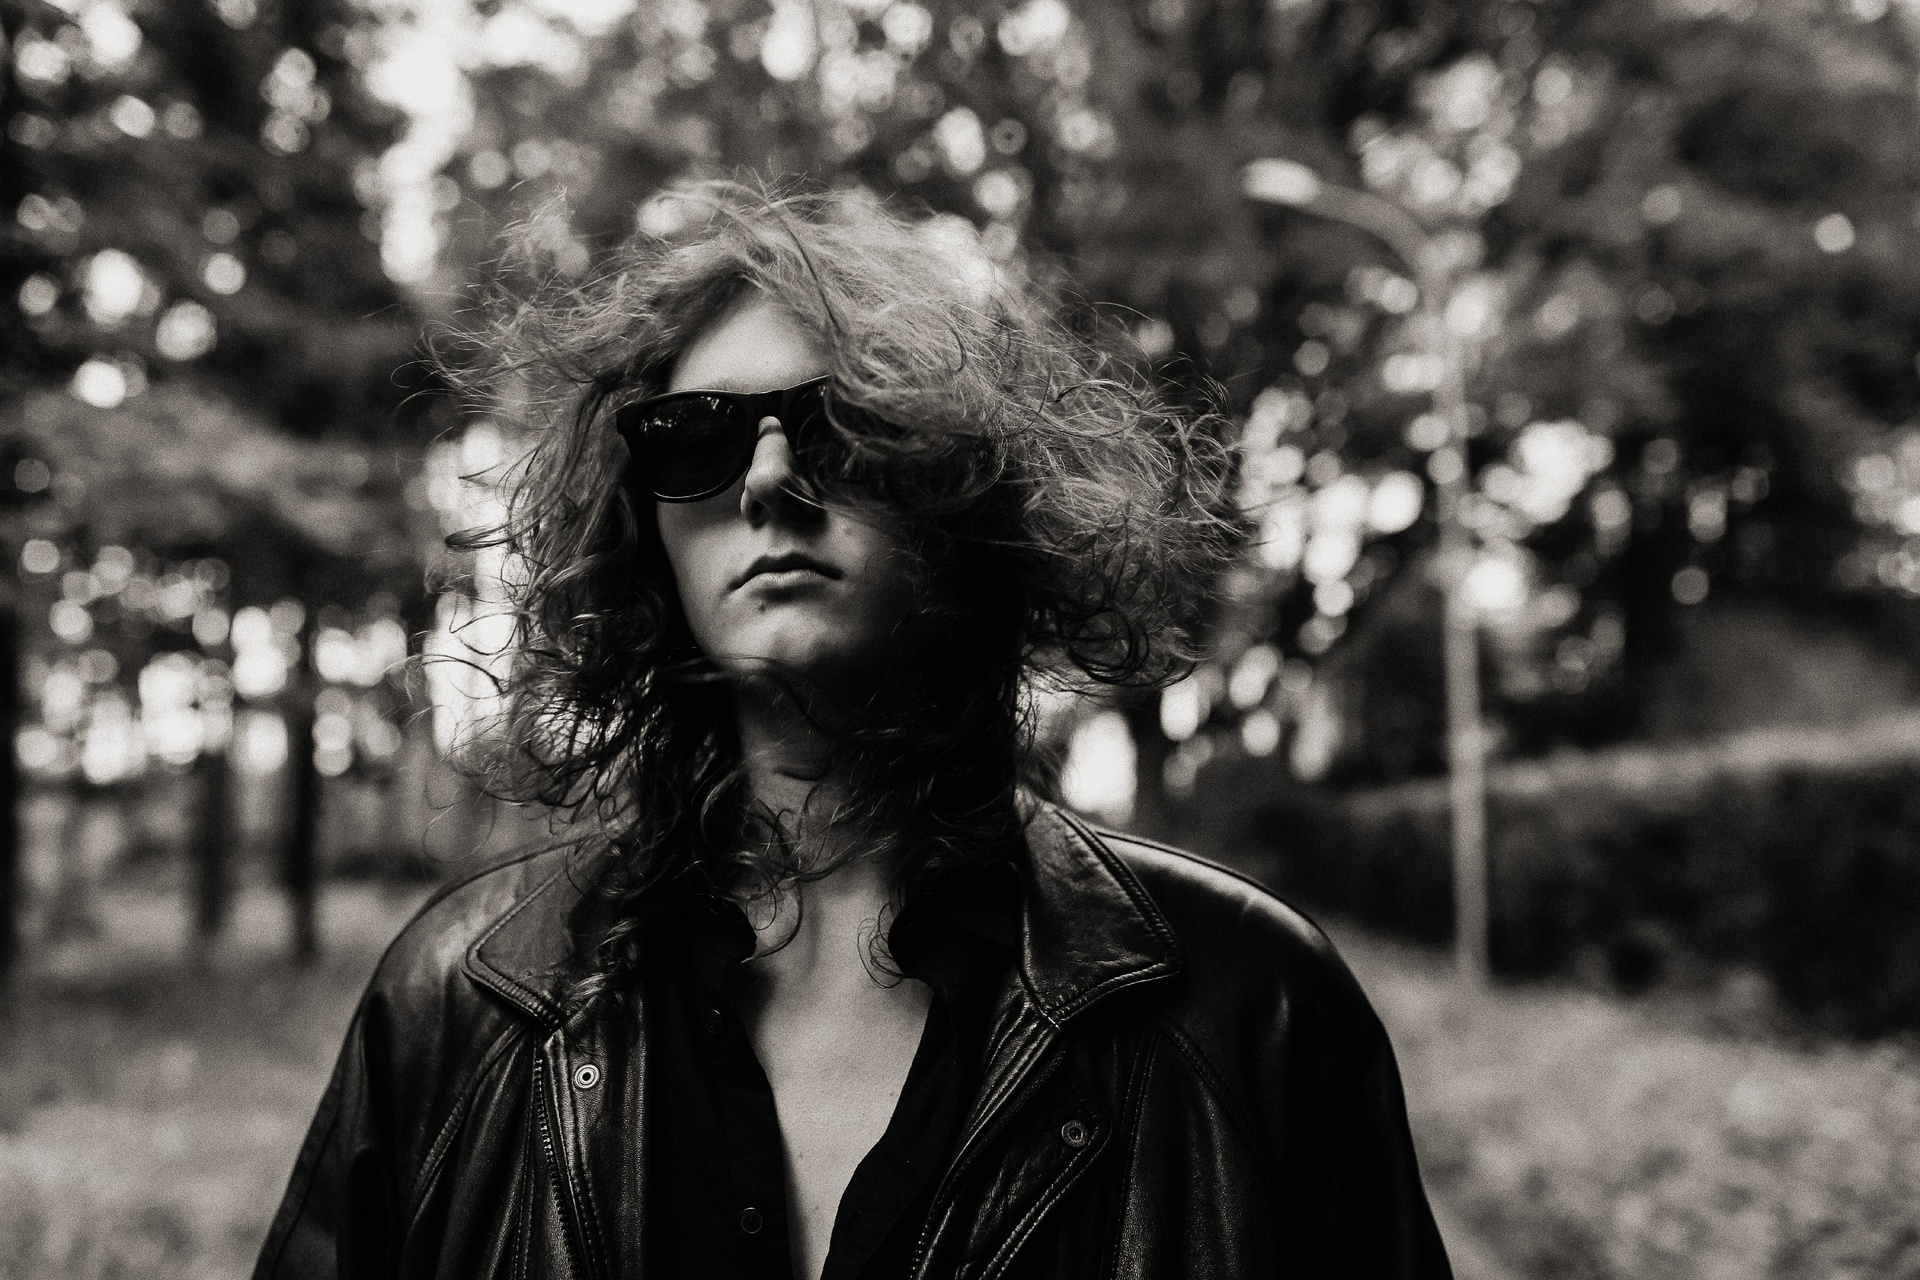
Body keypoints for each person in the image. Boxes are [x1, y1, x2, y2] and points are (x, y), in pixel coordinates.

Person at [254, 181, 1451, 1280]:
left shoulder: (1253, 1010)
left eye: (838, 429)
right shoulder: (459, 1003)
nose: (767, 481)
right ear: (643, 523)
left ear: (964, 494)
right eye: (697, 437)